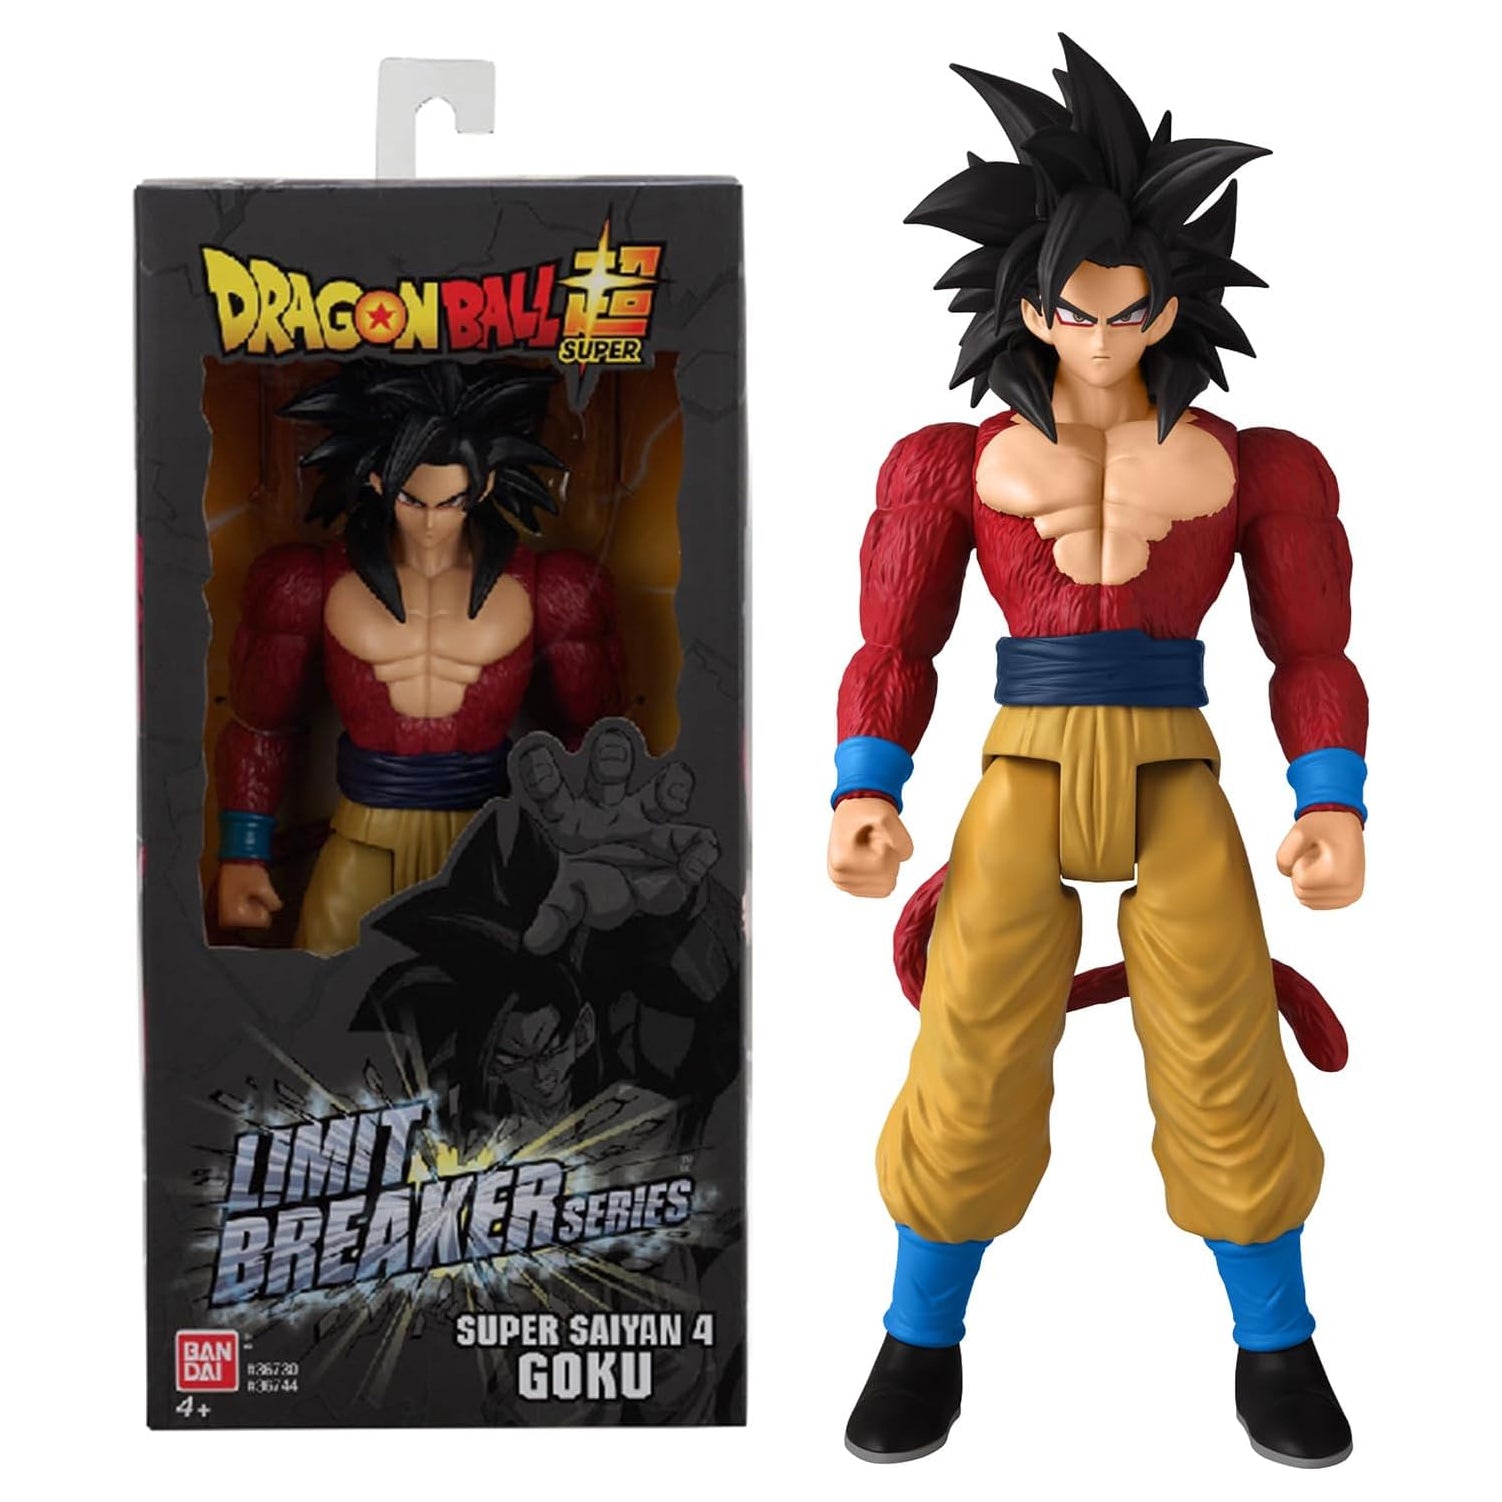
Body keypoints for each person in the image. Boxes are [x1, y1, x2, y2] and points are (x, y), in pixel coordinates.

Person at [829, 36, 1367, 1469]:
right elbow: (896, 637)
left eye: (1131, 310)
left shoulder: (1253, 464)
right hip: (1021, 765)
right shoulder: (950, 462)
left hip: (1176, 764)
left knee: (1223, 1049)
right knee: (969, 1046)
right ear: (1026, 304)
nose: (1105, 335)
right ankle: (917, 1334)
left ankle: (1275, 1340)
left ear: (1170, 304)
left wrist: (1329, 795)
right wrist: (866, 781)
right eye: (1076, 310)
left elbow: (1309, 649)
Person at [213, 360, 624, 954]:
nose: (432, 523)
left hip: (489, 835)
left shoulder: (552, 589)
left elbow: (596, 736)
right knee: (328, 983)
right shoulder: (307, 584)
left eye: (452, 501)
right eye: (413, 499)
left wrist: (598, 852)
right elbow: (262, 725)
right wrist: (243, 853)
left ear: (484, 486)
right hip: (363, 833)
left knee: (496, 995)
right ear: (379, 480)